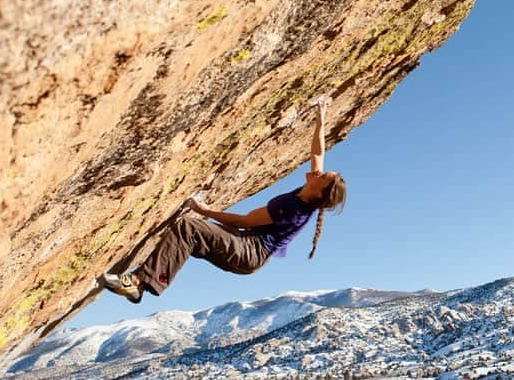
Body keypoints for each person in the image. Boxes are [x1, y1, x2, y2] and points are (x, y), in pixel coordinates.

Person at [100, 97, 347, 303]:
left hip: (249, 251)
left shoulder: (292, 208)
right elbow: (318, 152)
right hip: (245, 246)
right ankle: (146, 278)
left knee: (190, 227)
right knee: (190, 236)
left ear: (319, 192)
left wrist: (204, 210)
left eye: (323, 176)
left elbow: (246, 221)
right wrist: (321, 118)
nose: (319, 171)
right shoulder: (311, 191)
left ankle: (138, 283)